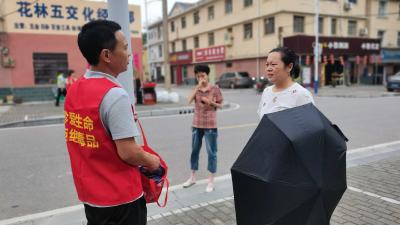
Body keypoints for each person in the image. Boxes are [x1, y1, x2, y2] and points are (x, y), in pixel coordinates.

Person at [64, 20, 160, 225]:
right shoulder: (114, 95)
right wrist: (152, 162)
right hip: (121, 199)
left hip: (91, 196)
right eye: (125, 48)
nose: (128, 54)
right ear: (107, 55)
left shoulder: (74, 89)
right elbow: (128, 152)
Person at [183, 64, 223, 192]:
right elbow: (188, 101)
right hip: (196, 124)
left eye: (203, 75)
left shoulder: (215, 88)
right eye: (198, 76)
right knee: (194, 150)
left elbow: (221, 105)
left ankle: (211, 180)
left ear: (207, 75)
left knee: (212, 152)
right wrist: (197, 87)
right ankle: (192, 177)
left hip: (210, 125)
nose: (201, 78)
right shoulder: (197, 89)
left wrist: (211, 102)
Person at [257, 47, 314, 118]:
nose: (268, 69)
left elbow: (311, 125)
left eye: (273, 64)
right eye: (267, 65)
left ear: (289, 67)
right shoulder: (266, 91)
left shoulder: (301, 94)